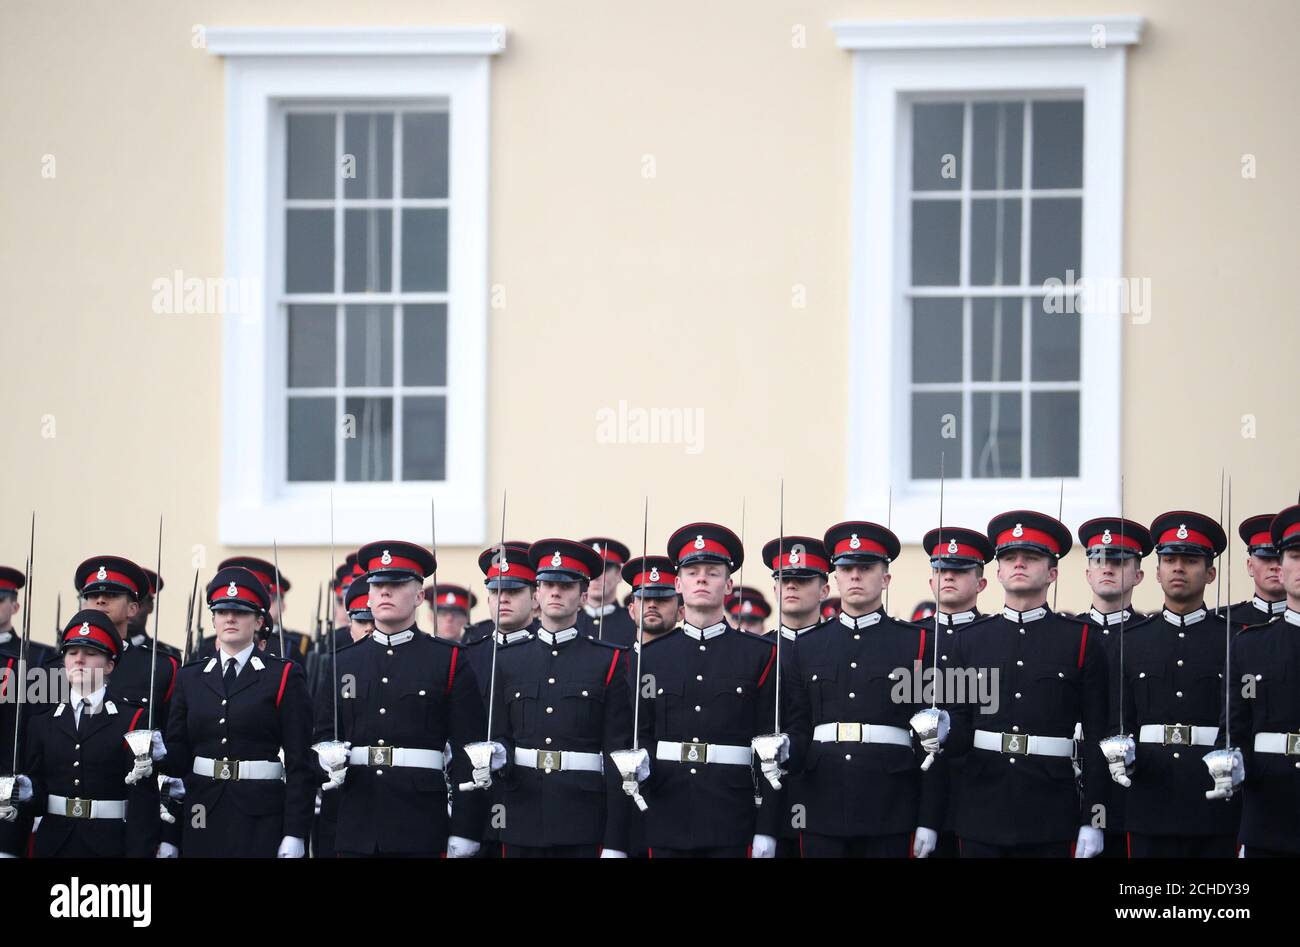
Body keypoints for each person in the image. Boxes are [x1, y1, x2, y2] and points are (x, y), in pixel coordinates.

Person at [943, 511, 1108, 857]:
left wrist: (1093, 820)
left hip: (1050, 808)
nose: (1019, 564)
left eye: (1031, 558)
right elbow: (959, 724)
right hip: (981, 806)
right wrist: (938, 732)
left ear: (1052, 573)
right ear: (998, 571)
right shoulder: (969, 640)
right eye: (1009, 558)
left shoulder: (1079, 639)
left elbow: (1097, 738)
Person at [312, 540, 487, 857]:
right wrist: (326, 755)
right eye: (377, 585)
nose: (385, 593)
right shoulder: (343, 662)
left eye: (395, 584)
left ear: (420, 595)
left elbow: (469, 753)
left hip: (419, 822)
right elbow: (323, 734)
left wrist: (466, 828)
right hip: (355, 820)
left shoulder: (447, 660)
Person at [779, 521, 941, 857]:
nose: (855, 576)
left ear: (885, 578)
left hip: (891, 804)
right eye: (847, 568)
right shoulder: (807, 646)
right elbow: (799, 725)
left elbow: (932, 742)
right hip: (821, 801)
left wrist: (929, 817)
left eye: (866, 568)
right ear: (834, 577)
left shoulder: (917, 642)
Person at [627, 523, 784, 858]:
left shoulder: (761, 655)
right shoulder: (650, 658)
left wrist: (767, 828)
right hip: (665, 811)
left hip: (733, 815)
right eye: (692, 571)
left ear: (728, 585)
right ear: (677, 583)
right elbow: (640, 735)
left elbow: (770, 749)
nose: (701, 579)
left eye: (712, 573)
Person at [477, 539, 633, 857]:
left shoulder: (609, 661)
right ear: (537, 593)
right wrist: (498, 754)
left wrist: (616, 841)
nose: (556, 592)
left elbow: (618, 756)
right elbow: (501, 736)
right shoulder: (508, 660)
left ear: (583, 595)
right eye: (548, 584)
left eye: (566, 585)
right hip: (521, 815)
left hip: (584, 818)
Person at [1104, 511, 1240, 858]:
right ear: (1157, 572)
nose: (1178, 568)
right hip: (1150, 794)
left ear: (1210, 573)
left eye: (1191, 560)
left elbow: (1244, 716)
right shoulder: (1131, 639)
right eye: (1170, 560)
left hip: (1214, 797)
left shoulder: (1234, 638)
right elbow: (1118, 714)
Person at [161, 567, 314, 857]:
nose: (230, 618)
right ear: (214, 619)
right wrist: (157, 755)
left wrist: (295, 833)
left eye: (240, 612)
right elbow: (179, 764)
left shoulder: (282, 675)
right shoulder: (190, 677)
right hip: (201, 811)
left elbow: (299, 763)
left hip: (261, 815)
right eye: (221, 611)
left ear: (258, 621)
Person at [11, 609, 161, 857]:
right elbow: (38, 797)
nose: (79, 659)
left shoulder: (132, 719)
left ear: (110, 665)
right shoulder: (43, 721)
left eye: (91, 653)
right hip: (54, 844)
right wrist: (27, 792)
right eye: (72, 652)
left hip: (109, 845)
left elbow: (142, 803)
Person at [1070, 516, 1153, 859]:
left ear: (1138, 575)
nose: (1107, 569)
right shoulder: (1067, 633)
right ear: (1087, 572)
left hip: (1131, 789)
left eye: (1118, 562)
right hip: (1069, 786)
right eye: (1099, 561)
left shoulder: (1149, 636)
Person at [1228, 504, 1300, 857]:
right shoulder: (1249, 645)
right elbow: (1237, 728)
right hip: (1268, 807)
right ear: (1280, 566)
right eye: (1295, 556)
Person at [920, 525, 995, 858]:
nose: (948, 576)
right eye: (941, 570)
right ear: (932, 581)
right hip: (917, 791)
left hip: (979, 788)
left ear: (980, 583)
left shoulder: (993, 639)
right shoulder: (911, 638)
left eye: (959, 570)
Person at [1221, 513, 1286, 630]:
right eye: (1266, 558)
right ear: (1250, 566)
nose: (1275, 566)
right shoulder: (1226, 622)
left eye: (1281, 559)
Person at [576, 537, 638, 646]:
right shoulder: (568, 621)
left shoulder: (635, 623)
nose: (597, 576)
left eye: (605, 569)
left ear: (619, 574)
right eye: (592, 569)